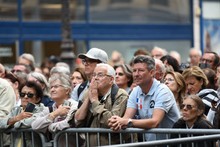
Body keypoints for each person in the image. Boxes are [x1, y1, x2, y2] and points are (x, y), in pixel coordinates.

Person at [108, 55, 180, 141]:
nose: (136, 74)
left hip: (171, 143)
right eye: (134, 70)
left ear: (152, 72)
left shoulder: (163, 91)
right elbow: (126, 118)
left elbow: (155, 122)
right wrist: (116, 121)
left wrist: (127, 122)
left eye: (141, 70)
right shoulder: (135, 91)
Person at [74, 63, 129, 146]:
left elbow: (111, 121)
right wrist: (89, 97)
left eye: (100, 75)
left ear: (111, 79)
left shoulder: (120, 95)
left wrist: (95, 101)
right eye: (94, 75)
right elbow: (78, 119)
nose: (96, 78)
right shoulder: (87, 94)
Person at [31, 73, 78, 146]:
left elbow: (68, 123)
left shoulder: (75, 105)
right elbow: (34, 125)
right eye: (51, 87)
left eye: (56, 87)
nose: (52, 90)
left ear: (67, 90)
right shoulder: (49, 109)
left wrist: (49, 127)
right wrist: (54, 114)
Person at [0, 81, 45, 147]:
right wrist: (16, 118)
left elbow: (30, 123)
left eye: (30, 95)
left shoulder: (42, 110)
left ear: (38, 99)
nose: (25, 97)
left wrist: (13, 123)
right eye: (22, 94)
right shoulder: (15, 110)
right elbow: (1, 123)